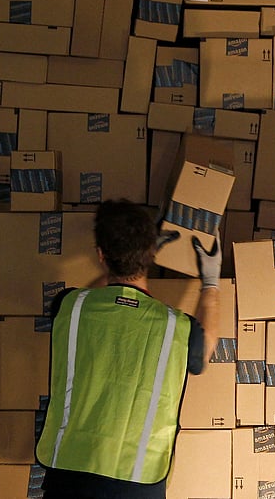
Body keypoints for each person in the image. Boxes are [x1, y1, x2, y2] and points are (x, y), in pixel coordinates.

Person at [36, 198, 221, 499]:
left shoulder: (69, 305)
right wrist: (211, 282)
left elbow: (98, 292)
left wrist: (132, 258)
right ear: (150, 254)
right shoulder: (178, 328)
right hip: (138, 483)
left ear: (100, 256)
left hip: (69, 479)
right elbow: (204, 353)